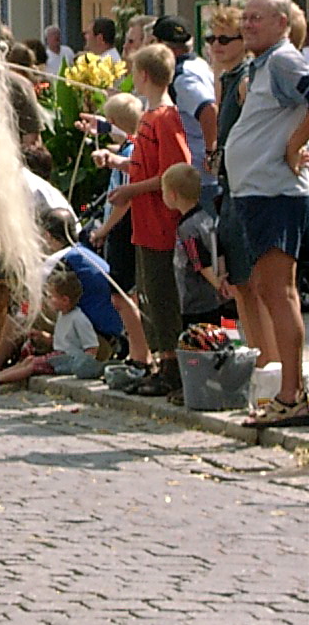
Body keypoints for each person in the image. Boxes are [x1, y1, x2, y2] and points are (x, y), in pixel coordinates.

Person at [225, 0, 309, 426]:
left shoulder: (282, 60)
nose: (248, 24)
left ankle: (293, 394)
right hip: (258, 192)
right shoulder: (262, 65)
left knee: (279, 292)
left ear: (282, 23)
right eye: (246, 17)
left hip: (275, 192)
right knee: (266, 289)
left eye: (258, 17)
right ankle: (290, 391)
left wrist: (295, 145)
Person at [103, 42, 190, 397]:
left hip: (159, 222)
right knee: (149, 294)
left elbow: (174, 172)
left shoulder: (166, 118)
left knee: (161, 294)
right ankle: (158, 361)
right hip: (144, 222)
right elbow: (148, 164)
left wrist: (131, 191)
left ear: (143, 75)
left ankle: (171, 367)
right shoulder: (149, 119)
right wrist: (121, 165)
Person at [206, 4, 277, 363]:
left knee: (256, 284)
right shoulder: (226, 78)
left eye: (224, 39)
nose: (216, 45)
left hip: (248, 186)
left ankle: (270, 359)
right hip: (229, 187)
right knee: (239, 283)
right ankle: (259, 354)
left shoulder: (246, 78)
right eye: (211, 39)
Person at [38, 208, 149, 369]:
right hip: (112, 338)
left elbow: (30, 297)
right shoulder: (84, 253)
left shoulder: (58, 260)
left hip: (94, 343)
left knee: (25, 316)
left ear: (47, 236)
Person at [0, 269, 103, 385]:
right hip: (58, 356)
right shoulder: (62, 315)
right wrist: (42, 336)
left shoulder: (79, 319)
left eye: (51, 297)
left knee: (33, 365)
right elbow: (64, 341)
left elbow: (92, 346)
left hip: (67, 360)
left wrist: (84, 366)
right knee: (28, 360)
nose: (48, 300)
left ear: (65, 300)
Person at [151, 15, 218, 200]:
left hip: (197, 174)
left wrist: (211, 152)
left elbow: (208, 109)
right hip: (199, 173)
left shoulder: (182, 77)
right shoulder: (198, 64)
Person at [88, 91, 143, 297]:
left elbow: (126, 201)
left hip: (122, 230)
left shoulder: (130, 153)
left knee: (121, 295)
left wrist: (104, 229)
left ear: (111, 122)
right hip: (119, 228)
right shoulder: (129, 147)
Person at [162, 162, 226, 328]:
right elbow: (218, 249)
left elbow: (199, 261)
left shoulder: (187, 228)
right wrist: (221, 275)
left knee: (198, 344)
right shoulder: (206, 217)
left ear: (173, 196)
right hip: (212, 298)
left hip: (195, 300)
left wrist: (218, 284)